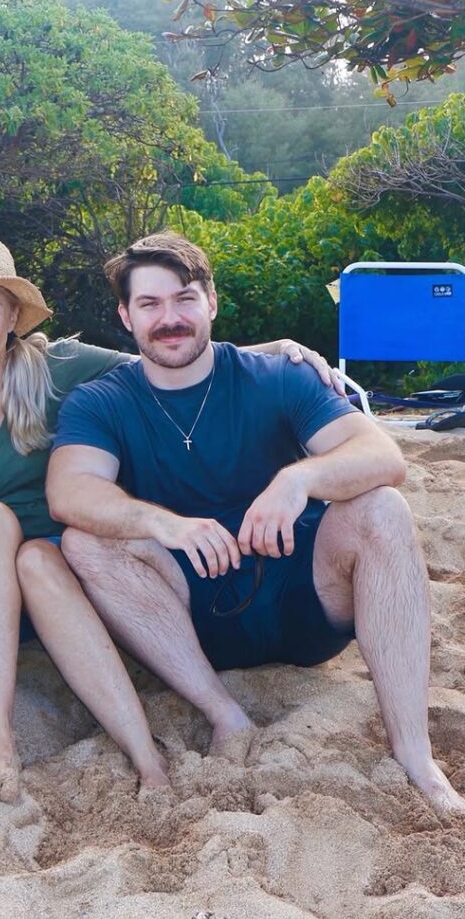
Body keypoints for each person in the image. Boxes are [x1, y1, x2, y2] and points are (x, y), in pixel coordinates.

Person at [0, 235, 347, 802]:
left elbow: (167, 360)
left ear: (12, 317)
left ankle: (146, 759)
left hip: (93, 577)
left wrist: (274, 351)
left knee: (38, 556)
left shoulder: (59, 366)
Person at [46, 230, 465, 813]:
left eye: (184, 298)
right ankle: (225, 713)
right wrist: (165, 524)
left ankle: (416, 755)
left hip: (303, 597)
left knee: (383, 508)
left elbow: (383, 455)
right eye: (150, 303)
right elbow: (69, 489)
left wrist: (298, 480)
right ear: (126, 316)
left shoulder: (275, 377)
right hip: (186, 624)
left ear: (212, 301)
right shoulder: (103, 401)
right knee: (85, 542)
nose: (170, 318)